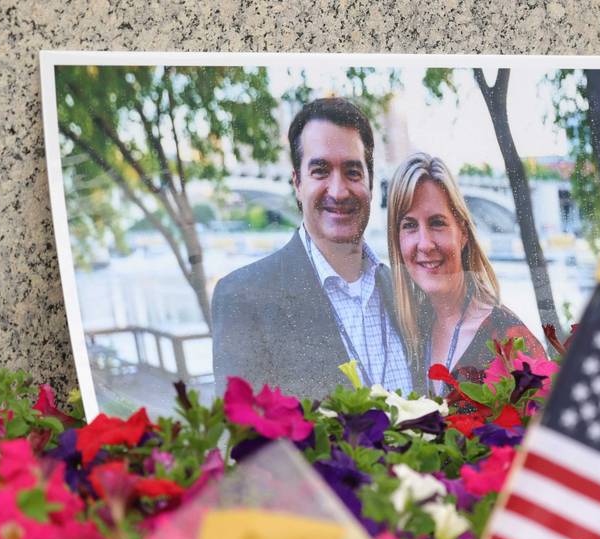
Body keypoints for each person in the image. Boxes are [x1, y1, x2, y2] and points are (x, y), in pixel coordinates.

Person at [211, 98, 412, 398]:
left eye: (353, 172)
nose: (338, 190)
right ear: (297, 183)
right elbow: (242, 441)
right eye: (320, 171)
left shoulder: (406, 291)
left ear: (370, 183)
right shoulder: (244, 298)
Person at [385, 153, 546, 395]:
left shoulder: (508, 339)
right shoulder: (408, 337)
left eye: (437, 223)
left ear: (462, 232)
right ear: (396, 240)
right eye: (409, 225)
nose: (425, 244)